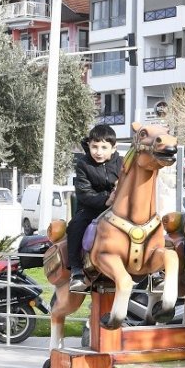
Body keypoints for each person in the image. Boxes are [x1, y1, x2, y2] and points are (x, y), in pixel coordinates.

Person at [68, 124, 122, 292]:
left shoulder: (122, 163)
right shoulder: (83, 164)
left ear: (114, 148)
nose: (99, 152)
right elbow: (84, 192)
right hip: (91, 207)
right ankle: (76, 270)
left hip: (118, 208)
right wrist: (106, 199)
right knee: (76, 225)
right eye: (95, 147)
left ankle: (151, 269)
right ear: (89, 146)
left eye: (104, 147)